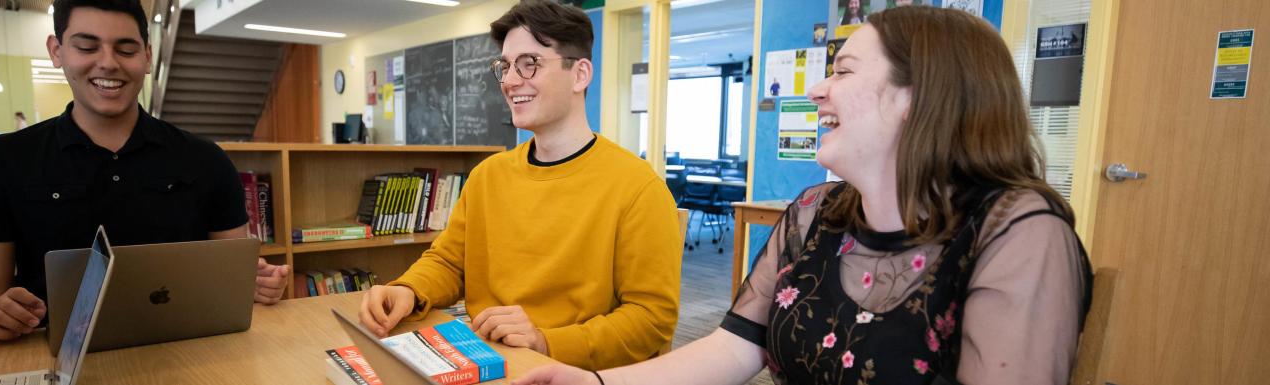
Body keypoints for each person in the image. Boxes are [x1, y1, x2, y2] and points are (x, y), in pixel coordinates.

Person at [515, 6, 1092, 385]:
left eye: (841, 72)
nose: (817, 89)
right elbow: (733, 350)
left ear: (917, 97)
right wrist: (590, 380)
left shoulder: (1018, 234)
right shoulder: (818, 213)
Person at [359, 0, 682, 371]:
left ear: (579, 75)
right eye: (506, 66)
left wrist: (546, 341)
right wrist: (408, 289)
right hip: (487, 359)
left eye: (529, 64)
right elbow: (450, 261)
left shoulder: (638, 188)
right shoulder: (487, 176)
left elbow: (651, 319)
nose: (510, 81)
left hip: (571, 373)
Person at [0, 0, 288, 342]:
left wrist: (259, 284)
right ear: (57, 51)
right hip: (51, 352)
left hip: (183, 348)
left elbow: (235, 275)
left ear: (148, 57)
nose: (108, 63)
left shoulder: (207, 160)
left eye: (126, 49)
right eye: (86, 46)